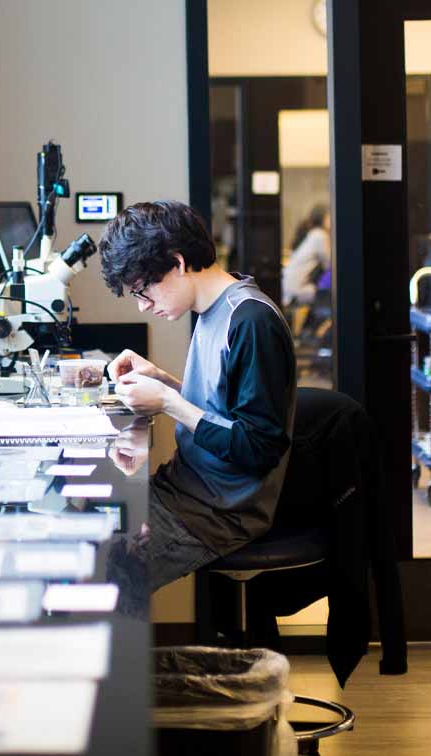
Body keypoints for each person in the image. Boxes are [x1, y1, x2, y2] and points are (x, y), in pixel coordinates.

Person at [98, 200, 296, 596]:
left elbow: (258, 448)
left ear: (178, 262)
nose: (142, 305)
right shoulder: (213, 312)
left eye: (143, 290)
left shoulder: (250, 321)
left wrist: (168, 403)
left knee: (99, 577)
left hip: (219, 513)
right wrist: (164, 382)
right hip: (185, 489)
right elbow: (222, 408)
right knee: (83, 529)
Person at [281, 204, 331, 307]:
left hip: (287, 288)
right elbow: (330, 265)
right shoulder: (320, 235)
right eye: (329, 216)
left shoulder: (313, 233)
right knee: (331, 294)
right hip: (297, 291)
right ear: (323, 219)